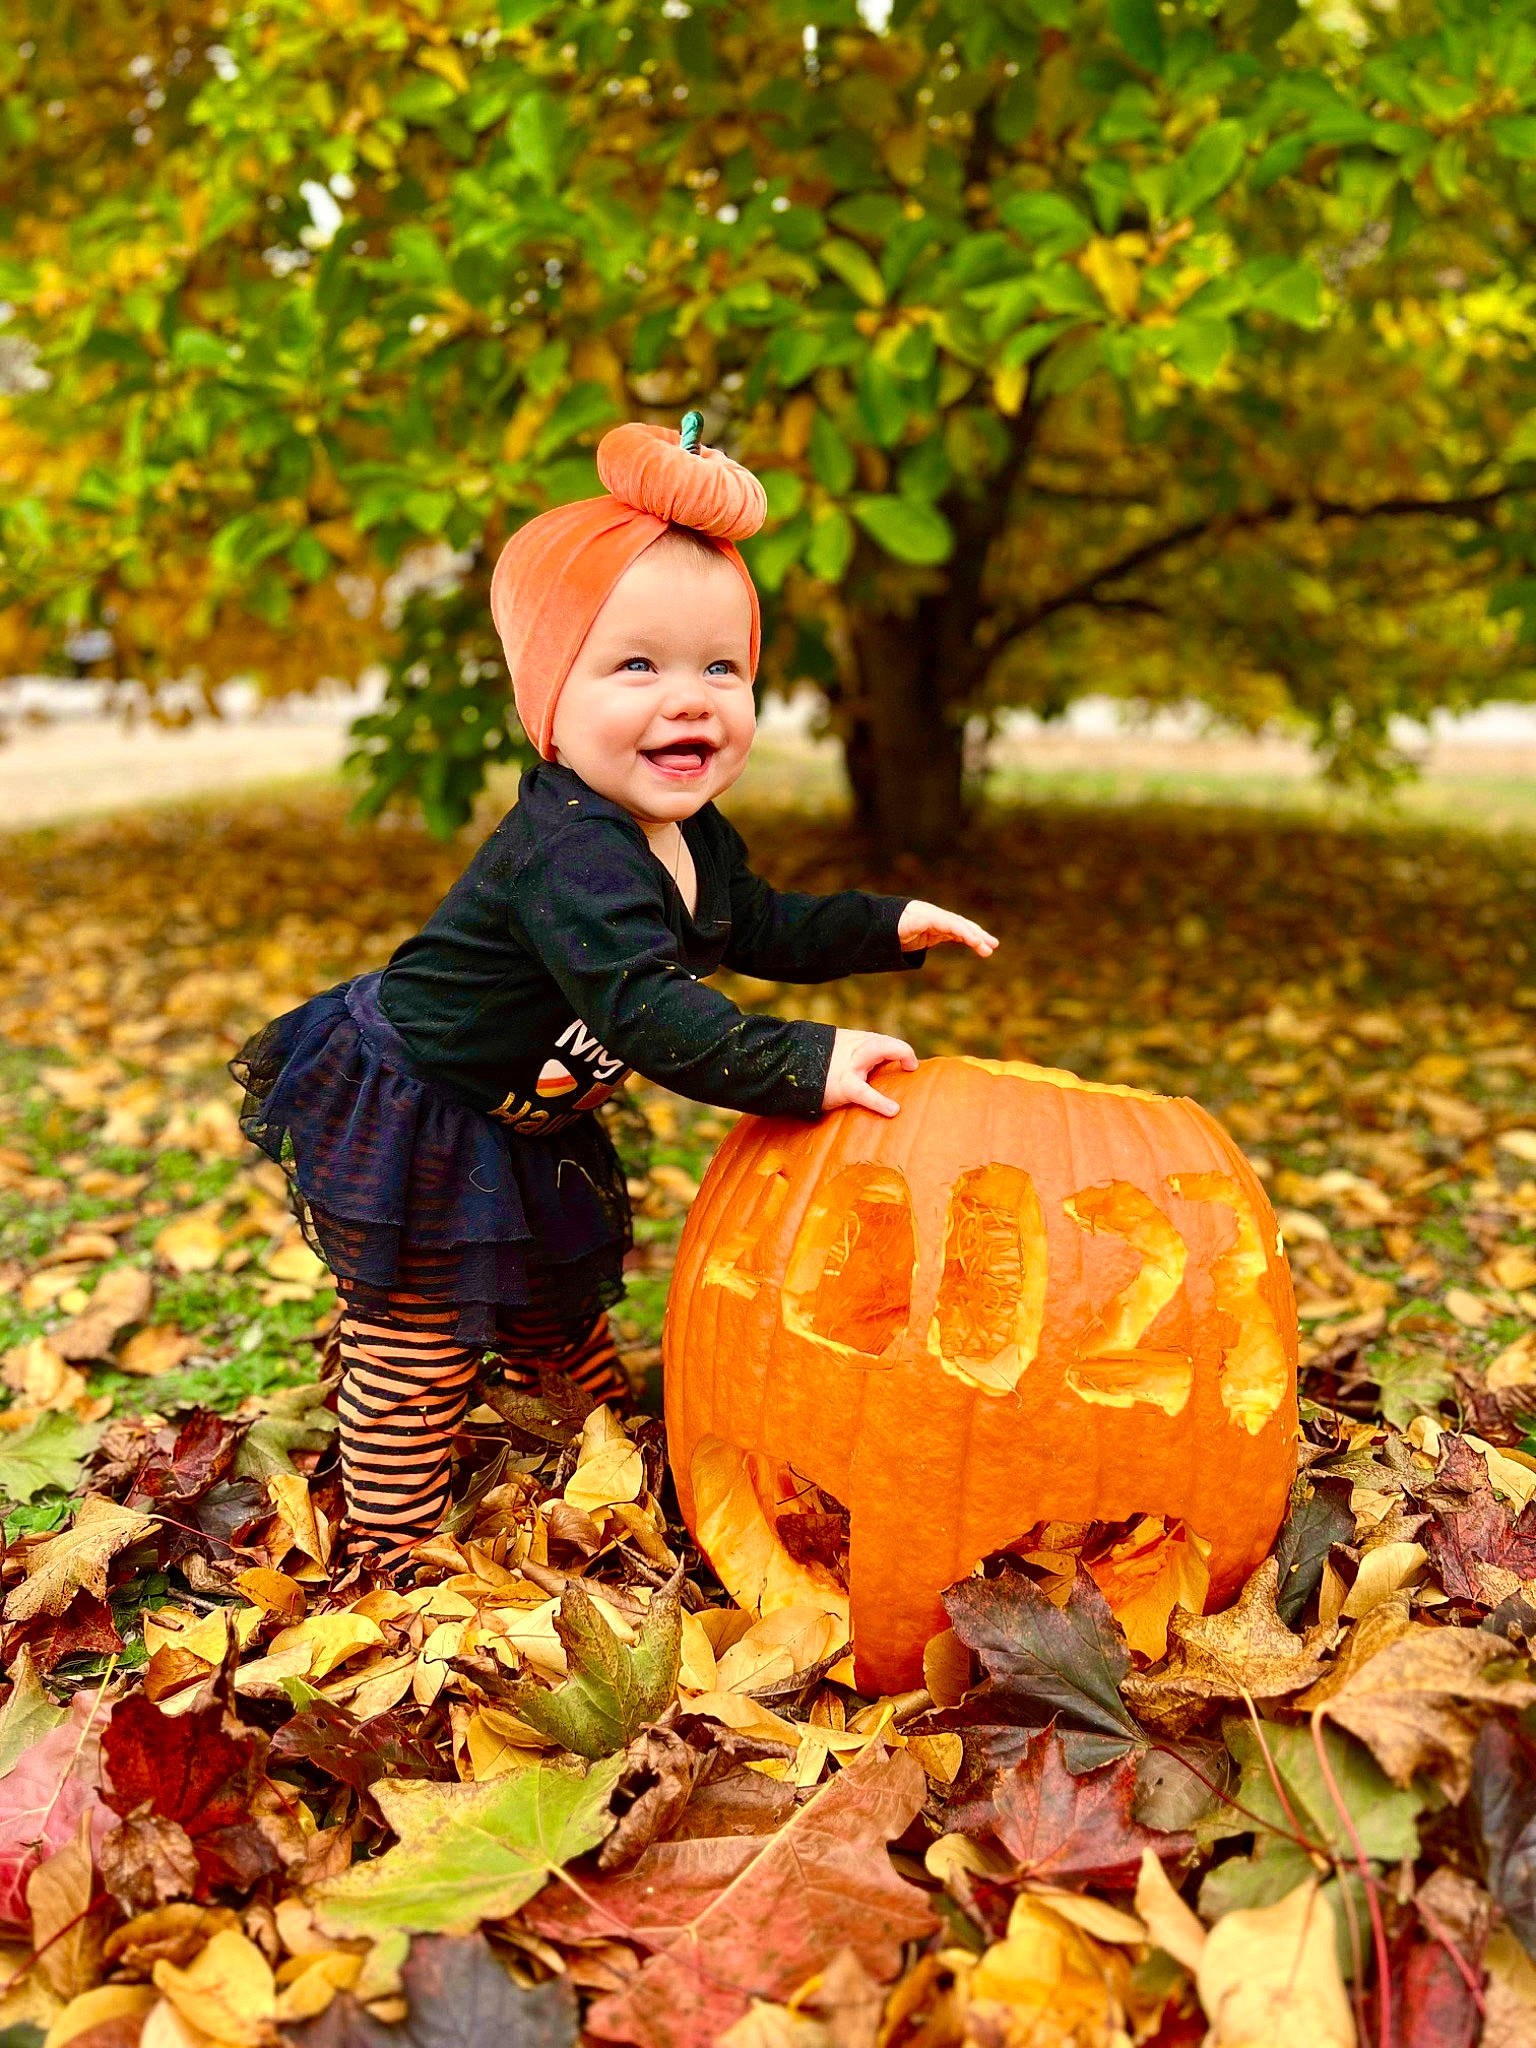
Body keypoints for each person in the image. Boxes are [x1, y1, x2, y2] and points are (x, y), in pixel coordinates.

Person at [231, 418, 998, 1569]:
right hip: (426, 1100)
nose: (685, 699)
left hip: (532, 1108)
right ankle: (388, 1545)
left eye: (719, 668)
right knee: (421, 1326)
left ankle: (590, 1423)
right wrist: (800, 1062)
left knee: (551, 1286)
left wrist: (882, 925)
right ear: (550, 695)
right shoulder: (574, 853)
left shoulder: (688, 832)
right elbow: (645, 1006)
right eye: (635, 665)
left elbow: (765, 921)